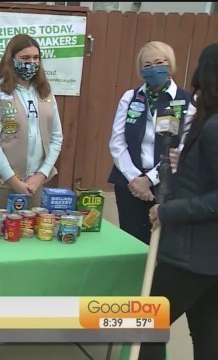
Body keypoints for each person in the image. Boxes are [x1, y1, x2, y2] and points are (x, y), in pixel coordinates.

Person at [141, 43, 218, 360]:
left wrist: (167, 210)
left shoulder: (214, 127)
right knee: (208, 336)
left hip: (191, 256)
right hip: (206, 259)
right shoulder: (207, 121)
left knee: (144, 326)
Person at [108, 41, 195, 245]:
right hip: (129, 184)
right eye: (147, 65)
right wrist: (135, 179)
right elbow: (117, 141)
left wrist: (149, 179)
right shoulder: (131, 97)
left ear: (170, 64)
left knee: (161, 243)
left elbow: (183, 146)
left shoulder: (186, 101)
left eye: (159, 62)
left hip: (167, 184)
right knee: (130, 242)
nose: (153, 68)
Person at [0, 34, 63, 209]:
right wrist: (13, 180)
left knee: (30, 232)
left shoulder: (45, 92)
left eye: (35, 58)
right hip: (2, 183)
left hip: (34, 183)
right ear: (11, 60)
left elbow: (56, 137)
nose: (31, 62)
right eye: (25, 58)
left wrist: (42, 174)